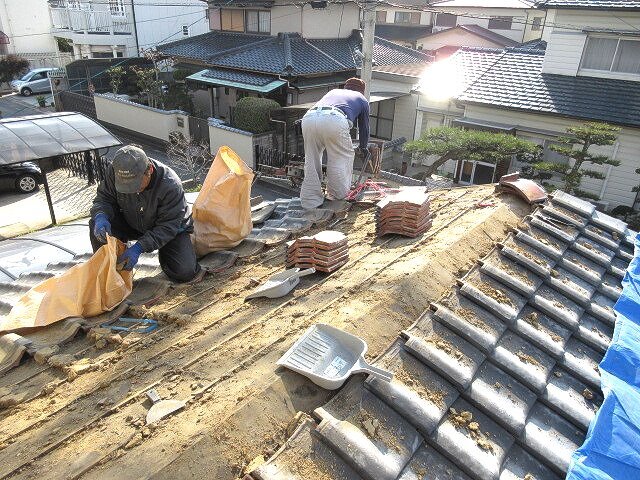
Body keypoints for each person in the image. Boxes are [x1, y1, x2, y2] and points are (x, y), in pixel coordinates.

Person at [89, 145, 202, 283]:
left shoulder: (170, 185)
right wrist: (101, 215)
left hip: (166, 228)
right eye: (126, 187)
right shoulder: (114, 171)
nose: (133, 191)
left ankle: (167, 254)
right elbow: (104, 198)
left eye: (135, 185)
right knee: (96, 223)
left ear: (149, 170)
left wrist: (140, 247)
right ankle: (108, 271)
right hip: (129, 221)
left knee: (185, 272)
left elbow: (168, 226)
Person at [299, 77, 370, 209]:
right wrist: (363, 147)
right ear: (362, 91)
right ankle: (337, 196)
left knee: (311, 160)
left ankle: (310, 200)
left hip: (308, 118)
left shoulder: (333, 92)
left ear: (345, 87)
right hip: (334, 118)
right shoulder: (361, 99)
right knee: (342, 156)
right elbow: (364, 128)